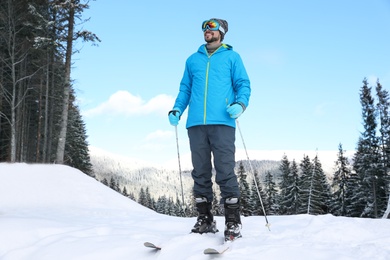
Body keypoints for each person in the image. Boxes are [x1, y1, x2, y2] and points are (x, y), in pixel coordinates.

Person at [168, 18, 251, 241]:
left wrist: (240, 104)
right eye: (205, 28)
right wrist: (177, 109)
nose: (207, 31)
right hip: (196, 124)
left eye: (212, 28)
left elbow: (243, 84)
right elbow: (185, 88)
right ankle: (205, 219)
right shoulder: (192, 60)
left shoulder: (232, 57)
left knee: (224, 170)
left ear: (221, 33)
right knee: (200, 172)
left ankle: (233, 221)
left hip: (223, 122)